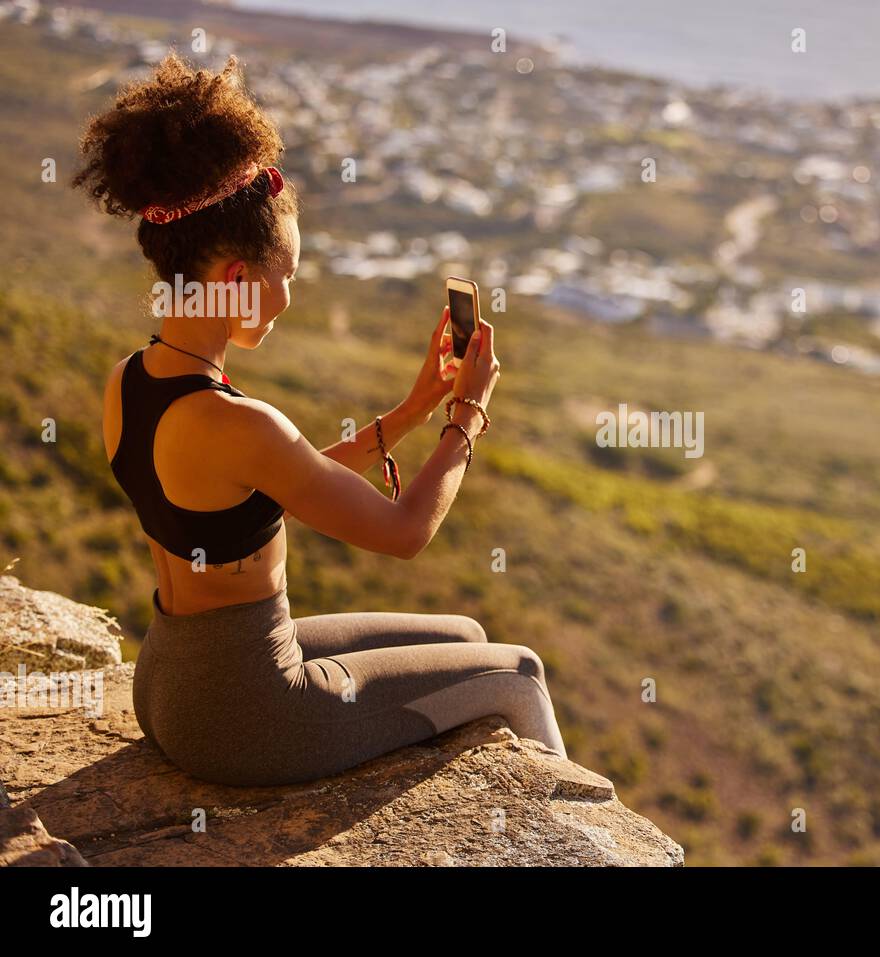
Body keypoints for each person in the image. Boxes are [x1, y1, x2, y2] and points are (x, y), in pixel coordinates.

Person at [73, 52, 567, 787]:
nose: (289, 298)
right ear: (238, 279)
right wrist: (469, 414)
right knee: (519, 672)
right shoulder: (242, 425)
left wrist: (411, 410)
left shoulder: (130, 381)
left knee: (467, 637)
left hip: (170, 679)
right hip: (246, 714)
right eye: (288, 276)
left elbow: (269, 488)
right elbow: (404, 535)